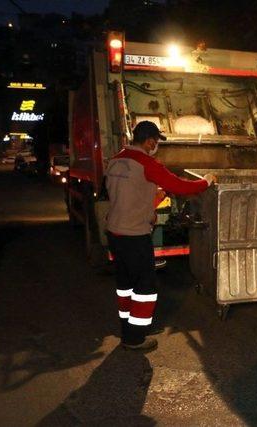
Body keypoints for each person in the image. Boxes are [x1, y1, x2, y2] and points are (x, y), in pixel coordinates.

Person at [105, 121, 216, 350]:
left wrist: (150, 204)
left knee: (125, 284)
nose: (156, 147)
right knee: (145, 288)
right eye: (155, 142)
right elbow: (180, 187)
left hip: (115, 233)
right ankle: (135, 338)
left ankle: (126, 327)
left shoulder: (116, 160)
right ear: (149, 141)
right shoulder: (146, 163)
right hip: (135, 236)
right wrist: (206, 181)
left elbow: (126, 194)